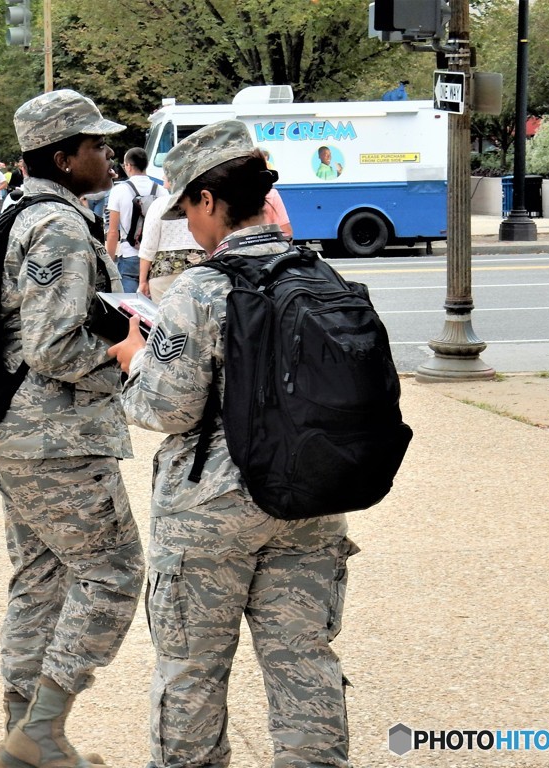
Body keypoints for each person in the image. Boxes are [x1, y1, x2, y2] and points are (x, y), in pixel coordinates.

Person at [109, 121, 358, 768]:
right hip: (310, 498)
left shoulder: (198, 290)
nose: (186, 225)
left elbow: (167, 407)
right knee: (306, 667)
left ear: (210, 203)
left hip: (210, 511)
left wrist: (137, 359)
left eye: (186, 207)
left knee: (190, 673)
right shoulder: (320, 274)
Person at [0, 89, 145, 768]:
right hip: (54, 438)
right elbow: (51, 347)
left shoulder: (10, 217)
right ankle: (42, 730)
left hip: (9, 431)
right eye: (96, 145)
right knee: (113, 569)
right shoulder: (58, 226)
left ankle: (26, 737)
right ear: (62, 155)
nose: (107, 155)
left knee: (42, 575)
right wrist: (122, 362)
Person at [136, 177, 206, 302]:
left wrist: (142, 281)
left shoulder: (159, 204)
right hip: (201, 270)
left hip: (164, 272)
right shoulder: (203, 202)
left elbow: (148, 246)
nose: (163, 177)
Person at [106, 147, 166, 292]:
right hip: (155, 256)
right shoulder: (161, 191)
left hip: (129, 254)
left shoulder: (118, 191)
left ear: (128, 166)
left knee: (129, 308)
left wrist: (109, 263)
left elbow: (113, 232)